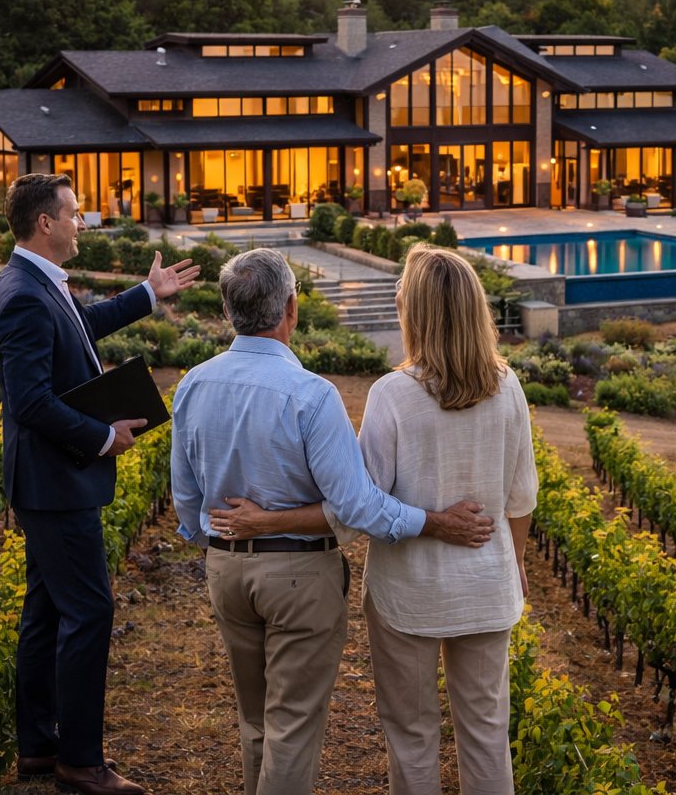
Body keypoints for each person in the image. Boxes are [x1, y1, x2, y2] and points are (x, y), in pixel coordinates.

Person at [212, 245, 536, 795]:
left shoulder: (394, 395)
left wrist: (269, 520)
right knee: (487, 731)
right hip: (485, 585)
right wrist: (517, 563)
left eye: (402, 295)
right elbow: (521, 498)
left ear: (416, 312)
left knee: (411, 734)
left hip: (407, 592)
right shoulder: (508, 387)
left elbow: (359, 503)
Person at [0, 173, 200, 795]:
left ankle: (38, 746)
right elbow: (29, 402)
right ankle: (80, 762)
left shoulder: (35, 282)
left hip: (48, 482)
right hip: (55, 484)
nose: (82, 222)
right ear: (45, 223)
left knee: (46, 610)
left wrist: (148, 293)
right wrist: (102, 437)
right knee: (89, 610)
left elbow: (80, 325)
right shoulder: (24, 295)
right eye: (74, 213)